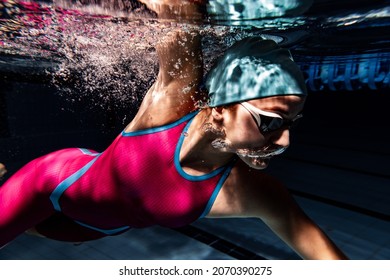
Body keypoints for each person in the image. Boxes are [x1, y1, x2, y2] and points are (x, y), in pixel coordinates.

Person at [0, 0, 347, 259]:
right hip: (51, 186)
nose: (285, 140)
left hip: (92, 228)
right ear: (221, 109)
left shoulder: (255, 193)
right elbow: (180, 8)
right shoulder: (174, 102)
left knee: (40, 229)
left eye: (291, 124)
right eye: (270, 122)